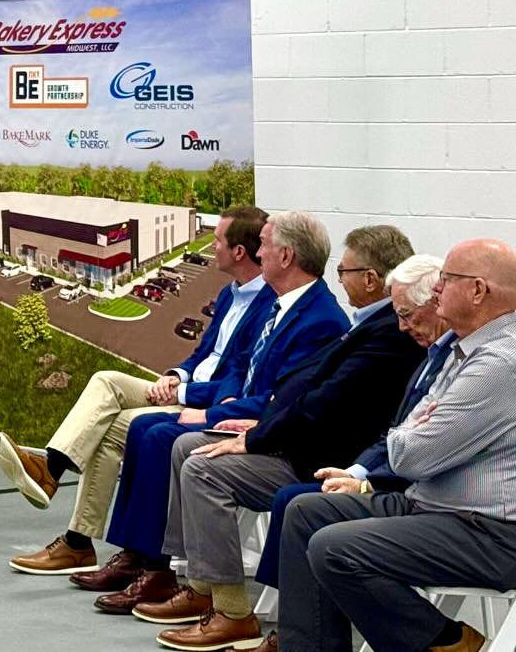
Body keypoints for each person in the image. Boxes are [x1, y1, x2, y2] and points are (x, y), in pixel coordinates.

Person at [140, 226, 424, 651]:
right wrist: (254, 426)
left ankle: (232, 610)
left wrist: (256, 437)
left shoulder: (385, 333)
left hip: (323, 455)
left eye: (344, 270)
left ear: (370, 278)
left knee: (205, 466)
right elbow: (299, 386)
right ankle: (203, 589)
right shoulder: (368, 325)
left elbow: (321, 401)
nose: (338, 278)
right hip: (306, 443)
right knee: (184, 445)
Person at [0, 207, 277, 585]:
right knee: (105, 380)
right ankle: (53, 470)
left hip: (205, 402)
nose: (212, 245)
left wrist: (184, 389)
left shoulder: (267, 305)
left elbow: (237, 379)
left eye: (219, 240)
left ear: (239, 252)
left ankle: (80, 539)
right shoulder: (230, 294)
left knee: (118, 427)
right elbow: (204, 353)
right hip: (185, 386)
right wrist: (175, 374)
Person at [87, 211, 350, 614]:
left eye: (264, 245)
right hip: (237, 413)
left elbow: (286, 401)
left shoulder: (322, 320)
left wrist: (213, 415)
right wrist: (222, 403)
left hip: (276, 439)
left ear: (285, 255)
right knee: (149, 430)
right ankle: (148, 560)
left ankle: (178, 576)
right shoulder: (282, 304)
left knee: (169, 440)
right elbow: (236, 365)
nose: (258, 253)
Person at [278, 239, 516, 652]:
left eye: (448, 279)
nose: (438, 288)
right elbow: (409, 429)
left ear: (478, 291)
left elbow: (409, 454)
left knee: (334, 548)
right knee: (305, 512)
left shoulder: (499, 363)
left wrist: (416, 431)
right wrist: (417, 429)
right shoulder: (465, 349)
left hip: (490, 534)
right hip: (435, 508)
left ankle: (447, 641)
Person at [251, 254, 454, 591]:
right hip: (391, 473)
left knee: (304, 510)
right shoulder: (432, 356)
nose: (403, 325)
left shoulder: (465, 359)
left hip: (422, 494)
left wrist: (366, 482)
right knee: (300, 504)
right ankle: (293, 624)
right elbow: (398, 432)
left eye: (406, 314)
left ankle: (283, 624)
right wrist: (356, 472)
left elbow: (422, 440)